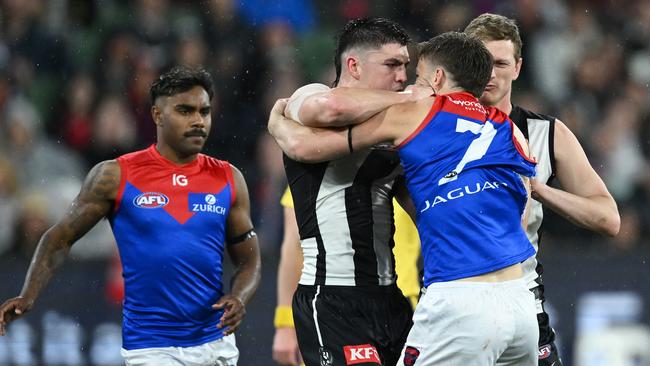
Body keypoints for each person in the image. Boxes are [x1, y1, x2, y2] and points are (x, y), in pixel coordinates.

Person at [269, 31, 540, 365]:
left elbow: (304, 147)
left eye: (416, 74)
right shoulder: (511, 130)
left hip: (452, 298)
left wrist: (278, 125)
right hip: (518, 301)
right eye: (394, 66)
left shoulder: (415, 116)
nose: (407, 81)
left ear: (437, 78)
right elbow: (520, 216)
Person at [0, 66, 262, 366]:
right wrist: (28, 294)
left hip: (216, 342)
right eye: (185, 111)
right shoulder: (115, 176)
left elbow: (249, 259)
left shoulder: (229, 179)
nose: (198, 121)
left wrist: (239, 298)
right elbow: (59, 239)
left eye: (204, 111)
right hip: (151, 346)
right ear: (157, 115)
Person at [273, 17, 431, 366]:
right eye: (392, 64)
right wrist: (410, 100)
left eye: (405, 66)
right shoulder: (310, 95)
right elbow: (330, 109)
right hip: (332, 297)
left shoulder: (393, 128)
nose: (403, 76)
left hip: (391, 297)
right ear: (353, 65)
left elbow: (421, 207)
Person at [464, 13, 620, 366]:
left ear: (518, 67)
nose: (490, 73)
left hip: (522, 301)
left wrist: (541, 191)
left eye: (501, 63)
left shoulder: (547, 135)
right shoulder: (428, 129)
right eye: (480, 62)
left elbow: (608, 218)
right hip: (454, 299)